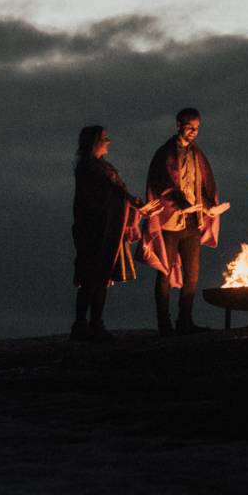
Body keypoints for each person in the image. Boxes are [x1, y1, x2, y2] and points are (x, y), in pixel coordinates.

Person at [71, 125, 155, 342]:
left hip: (109, 230)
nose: (108, 141)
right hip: (94, 230)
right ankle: (83, 325)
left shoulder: (103, 167)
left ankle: (94, 323)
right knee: (91, 277)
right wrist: (130, 201)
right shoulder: (87, 169)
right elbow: (103, 196)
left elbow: (117, 193)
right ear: (94, 142)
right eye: (104, 138)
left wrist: (135, 205)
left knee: (102, 277)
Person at [144, 108, 222, 336]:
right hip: (170, 222)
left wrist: (209, 207)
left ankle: (185, 321)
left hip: (191, 223)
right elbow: (164, 185)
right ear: (179, 125)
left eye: (197, 128)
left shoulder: (197, 154)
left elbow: (203, 187)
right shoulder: (165, 153)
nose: (193, 132)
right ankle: (164, 324)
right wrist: (181, 202)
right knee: (165, 273)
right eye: (189, 127)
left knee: (192, 274)